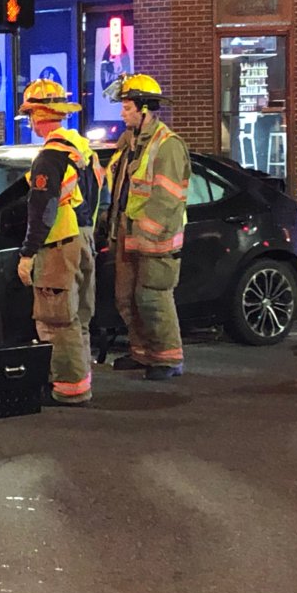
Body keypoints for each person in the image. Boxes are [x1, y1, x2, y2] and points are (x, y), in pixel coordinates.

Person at [16, 79, 104, 407]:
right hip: (83, 239)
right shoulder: (81, 149)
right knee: (77, 317)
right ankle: (79, 383)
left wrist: (27, 253)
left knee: (56, 320)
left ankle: (68, 389)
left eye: (30, 115)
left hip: (57, 244)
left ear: (39, 114)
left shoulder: (48, 158)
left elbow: (43, 209)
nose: (30, 122)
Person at [102, 73, 191, 381]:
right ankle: (142, 353)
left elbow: (167, 199)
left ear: (143, 109)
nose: (122, 112)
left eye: (126, 107)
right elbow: (121, 189)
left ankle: (168, 358)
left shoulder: (167, 146)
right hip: (129, 232)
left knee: (153, 298)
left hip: (156, 239)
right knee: (126, 297)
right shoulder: (131, 143)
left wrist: (146, 232)